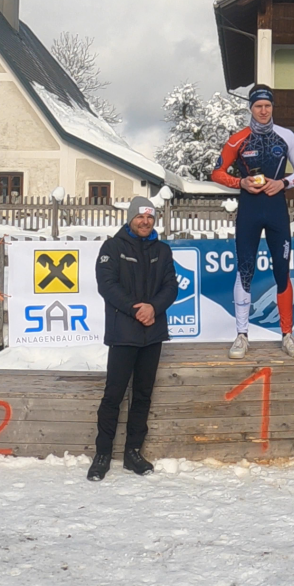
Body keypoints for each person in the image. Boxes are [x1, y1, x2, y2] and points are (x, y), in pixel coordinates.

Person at [211, 84, 294, 359]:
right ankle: (242, 335)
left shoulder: (286, 136)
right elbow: (217, 173)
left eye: (267, 105)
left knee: (282, 270)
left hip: (277, 209)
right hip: (250, 211)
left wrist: (283, 183)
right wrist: (240, 182)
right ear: (251, 108)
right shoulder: (238, 139)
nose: (263, 111)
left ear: (272, 107)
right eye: (258, 106)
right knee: (245, 270)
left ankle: (287, 334)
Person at [87, 197, 179, 481]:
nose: (145, 222)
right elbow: (107, 285)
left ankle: (133, 452)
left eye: (150, 217)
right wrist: (135, 309)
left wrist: (153, 308)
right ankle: (102, 454)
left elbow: (171, 287)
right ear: (130, 218)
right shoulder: (112, 247)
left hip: (153, 333)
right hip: (123, 332)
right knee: (113, 395)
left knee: (142, 395)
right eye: (140, 217)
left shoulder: (162, 250)